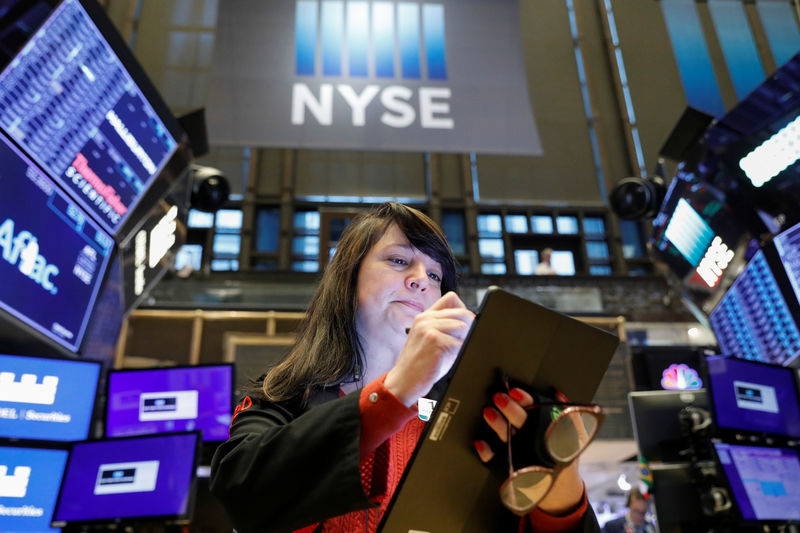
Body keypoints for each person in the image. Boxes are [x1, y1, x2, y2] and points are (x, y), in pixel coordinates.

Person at [210, 202, 600, 532]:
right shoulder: (282, 395)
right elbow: (244, 497)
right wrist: (396, 389)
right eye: (399, 261)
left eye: (435, 275)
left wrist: (561, 483)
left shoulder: (479, 411)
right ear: (348, 277)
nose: (421, 281)